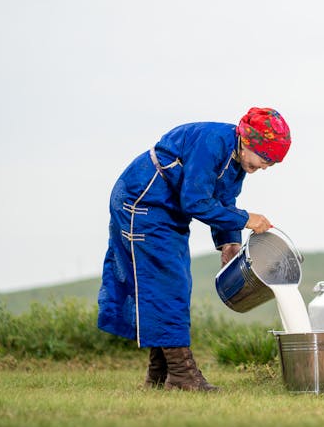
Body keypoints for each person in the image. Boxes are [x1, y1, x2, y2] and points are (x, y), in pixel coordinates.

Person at [97, 107, 291, 391]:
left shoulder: (236, 159)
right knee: (168, 283)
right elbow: (196, 200)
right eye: (266, 158)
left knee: (169, 285)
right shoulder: (212, 144)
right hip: (142, 202)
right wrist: (247, 219)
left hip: (166, 210)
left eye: (271, 163)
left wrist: (229, 241)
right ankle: (182, 374)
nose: (265, 167)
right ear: (249, 141)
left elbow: (224, 199)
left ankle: (160, 374)